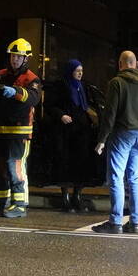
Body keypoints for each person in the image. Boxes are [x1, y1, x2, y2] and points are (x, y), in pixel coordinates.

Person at [92, 50, 138, 234]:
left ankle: (115, 222)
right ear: (135, 63)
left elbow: (110, 114)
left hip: (122, 134)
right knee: (135, 178)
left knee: (116, 177)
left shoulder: (117, 83)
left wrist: (102, 139)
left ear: (120, 64)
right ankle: (135, 222)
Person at [0, 38, 42, 219]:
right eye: (13, 56)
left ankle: (19, 204)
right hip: (0, 129)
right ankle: (0, 202)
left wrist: (16, 92)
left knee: (15, 167)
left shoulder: (32, 78)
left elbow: (34, 99)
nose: (15, 60)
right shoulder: (1, 74)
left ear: (26, 59)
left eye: (19, 57)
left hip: (19, 131)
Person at [47, 58, 100, 212]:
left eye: (81, 71)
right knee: (65, 163)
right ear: (70, 71)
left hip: (82, 132)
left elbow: (86, 105)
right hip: (66, 131)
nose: (80, 73)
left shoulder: (82, 86)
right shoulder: (61, 84)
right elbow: (50, 105)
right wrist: (61, 115)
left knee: (80, 163)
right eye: (77, 71)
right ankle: (65, 198)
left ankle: (77, 196)